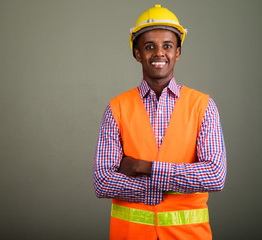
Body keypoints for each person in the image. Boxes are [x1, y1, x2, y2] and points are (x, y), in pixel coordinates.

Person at [93, 4, 226, 240]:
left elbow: (214, 175)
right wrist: (165, 187)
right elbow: (103, 181)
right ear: (137, 54)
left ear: (178, 53)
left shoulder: (203, 106)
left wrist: (143, 168)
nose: (159, 54)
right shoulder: (116, 108)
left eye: (167, 46)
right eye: (149, 47)